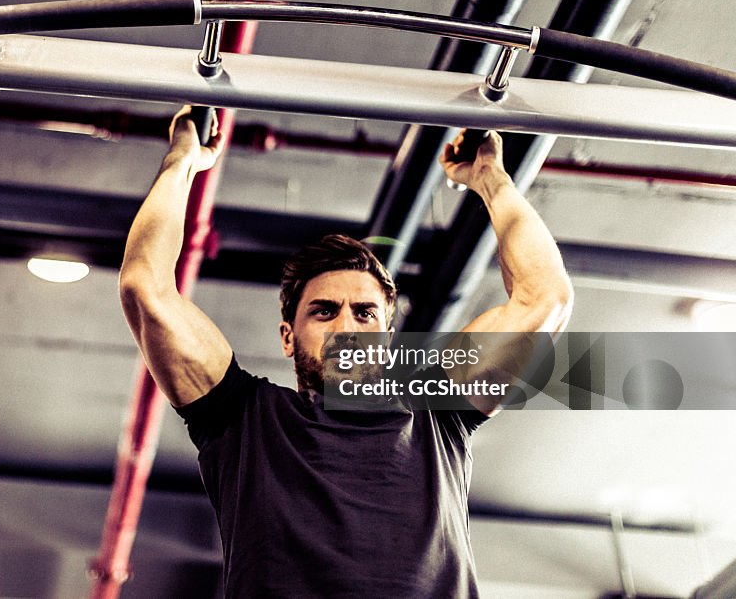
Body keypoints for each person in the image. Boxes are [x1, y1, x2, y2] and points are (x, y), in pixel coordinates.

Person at [118, 107, 573, 598]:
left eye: (364, 314)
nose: (345, 329)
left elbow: (543, 298)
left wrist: (490, 179)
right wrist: (181, 161)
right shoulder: (245, 419)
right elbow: (146, 286)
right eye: (323, 312)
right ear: (288, 336)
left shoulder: (437, 412)